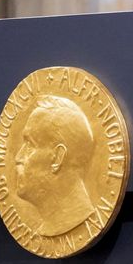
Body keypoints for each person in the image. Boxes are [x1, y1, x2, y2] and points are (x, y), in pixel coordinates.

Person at [14, 95, 97, 236]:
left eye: (29, 145)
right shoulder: (44, 229)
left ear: (58, 157)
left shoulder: (76, 219)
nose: (18, 158)